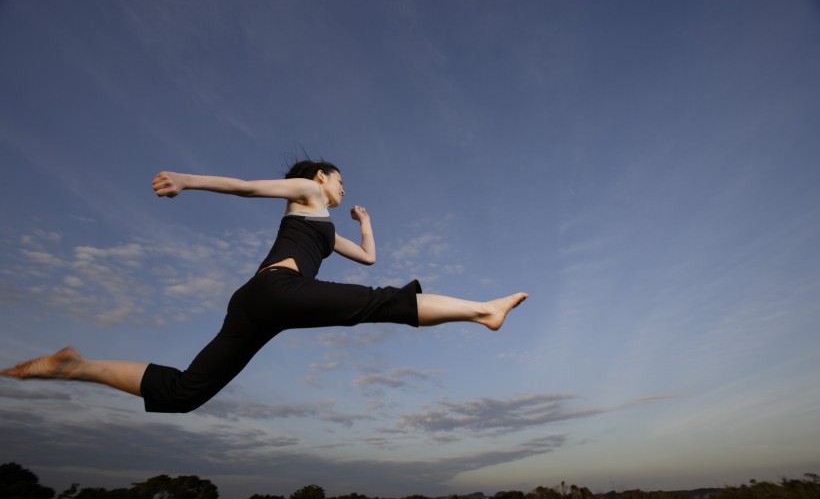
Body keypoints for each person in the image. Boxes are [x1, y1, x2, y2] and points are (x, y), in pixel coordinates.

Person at [1, 161, 527, 413]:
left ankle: (75, 365)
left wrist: (365, 220)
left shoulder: (324, 227)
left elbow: (367, 256)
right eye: (341, 180)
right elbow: (250, 187)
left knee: (187, 392)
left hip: (259, 304)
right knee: (380, 304)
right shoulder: (305, 192)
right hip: (277, 292)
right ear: (320, 176)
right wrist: (189, 180)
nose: (343, 189)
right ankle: (484, 311)